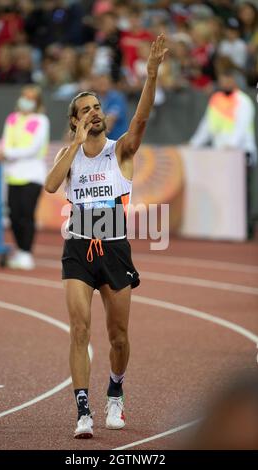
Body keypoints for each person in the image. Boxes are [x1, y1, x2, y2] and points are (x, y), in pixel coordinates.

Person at [45, 34, 168, 439]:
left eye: (97, 107)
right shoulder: (70, 156)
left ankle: (115, 388)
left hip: (114, 247)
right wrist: (75, 143)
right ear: (75, 120)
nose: (95, 113)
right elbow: (49, 186)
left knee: (118, 336)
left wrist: (150, 76)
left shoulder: (121, 152)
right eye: (85, 110)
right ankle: (83, 410)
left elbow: (141, 121)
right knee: (79, 330)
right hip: (78, 247)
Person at [189, 68, 257, 238]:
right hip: (220, 155)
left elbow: (241, 127)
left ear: (234, 80)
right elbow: (207, 126)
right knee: (222, 192)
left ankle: (245, 229)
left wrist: (230, 146)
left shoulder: (243, 101)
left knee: (242, 192)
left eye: (228, 79)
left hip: (241, 153)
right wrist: (193, 143)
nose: (224, 82)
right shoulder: (216, 100)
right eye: (222, 79)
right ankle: (224, 228)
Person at [0, 85, 50, 269]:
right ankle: (20, 250)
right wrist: (5, 151)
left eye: (31, 98)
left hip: (32, 175)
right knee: (13, 215)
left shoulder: (41, 120)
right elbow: (5, 141)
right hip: (13, 175)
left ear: (37, 102)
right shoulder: (12, 119)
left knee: (26, 214)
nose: (26, 101)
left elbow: (34, 148)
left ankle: (26, 252)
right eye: (24, 96)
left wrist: (9, 153)